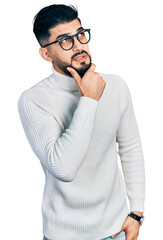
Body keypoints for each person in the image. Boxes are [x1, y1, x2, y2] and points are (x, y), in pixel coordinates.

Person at [17, 4, 145, 240]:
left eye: (80, 34)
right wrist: (88, 100)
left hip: (116, 230)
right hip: (63, 235)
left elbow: (130, 148)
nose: (78, 46)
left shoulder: (116, 86)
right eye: (65, 40)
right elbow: (64, 168)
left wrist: (136, 213)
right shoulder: (34, 100)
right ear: (46, 54)